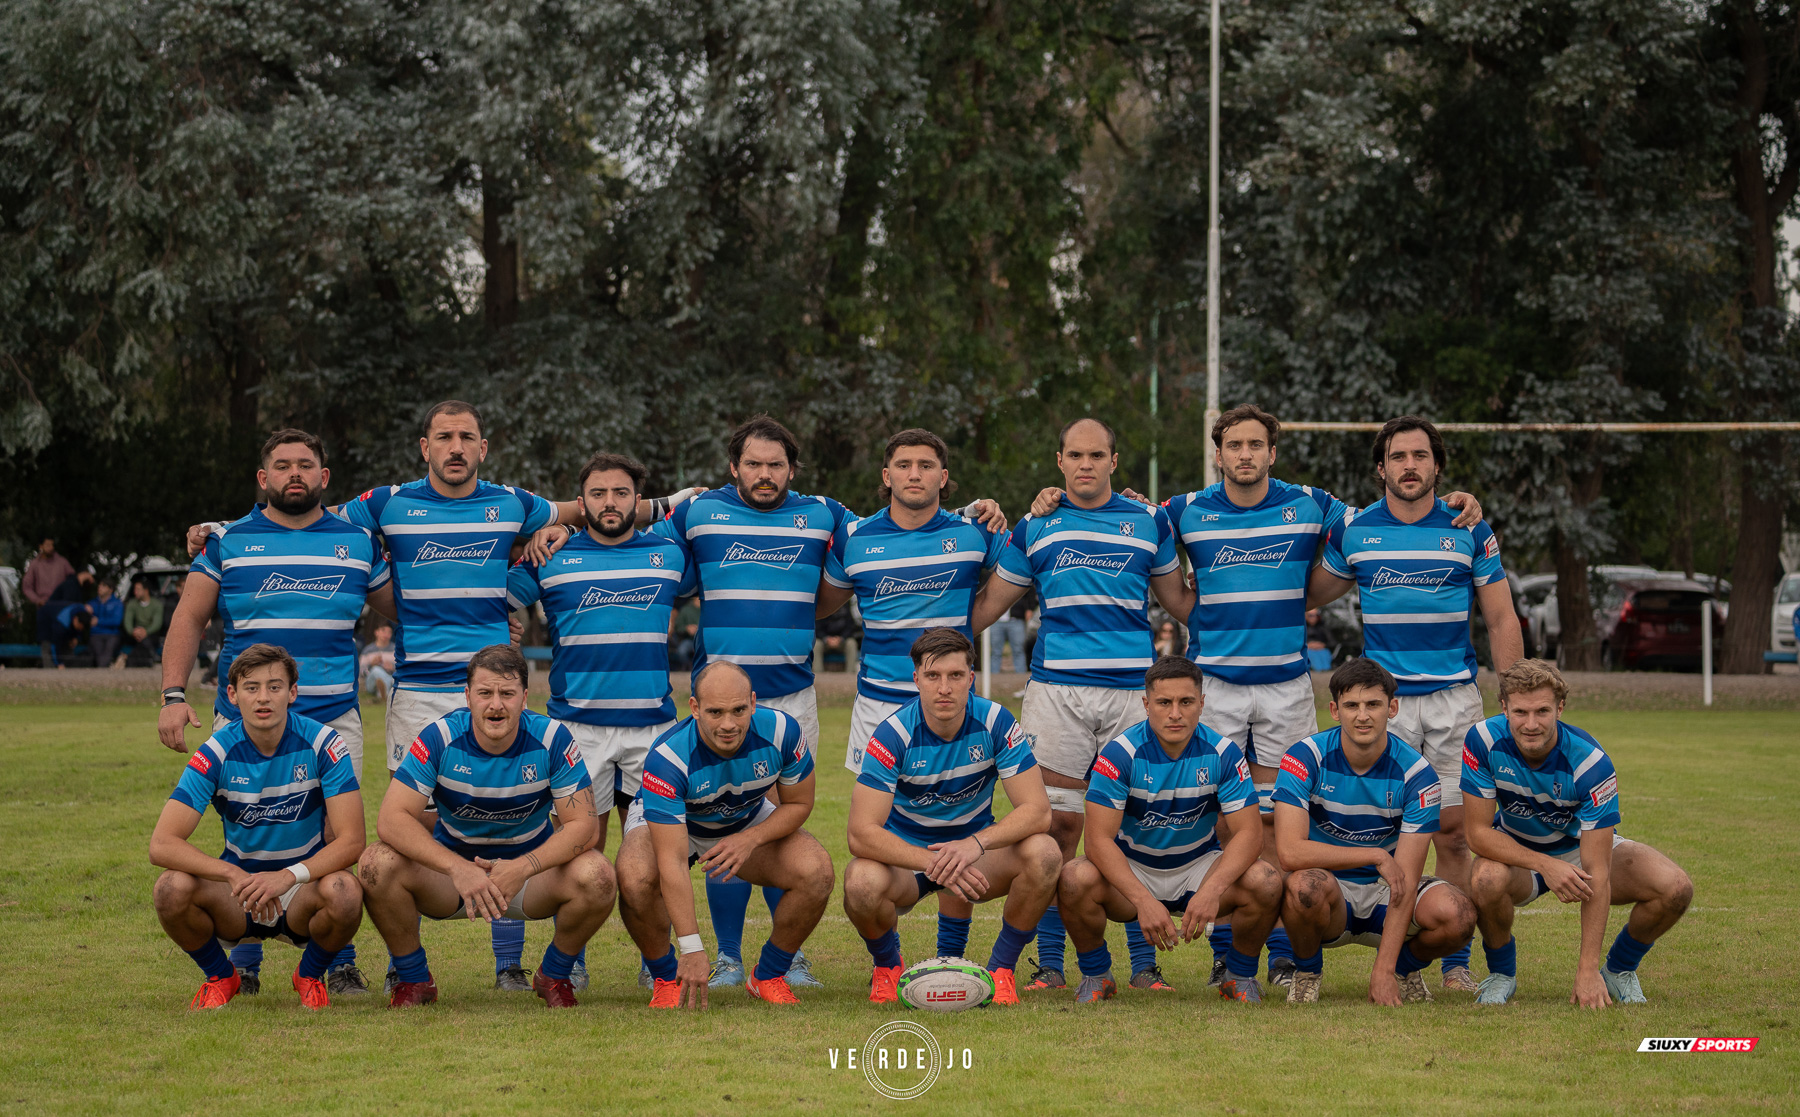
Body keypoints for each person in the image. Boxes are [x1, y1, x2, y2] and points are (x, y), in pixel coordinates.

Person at [161, 429, 395, 995]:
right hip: (243, 717)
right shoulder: (228, 540)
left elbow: (405, 612)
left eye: (306, 465)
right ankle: (244, 956)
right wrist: (173, 694)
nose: (296, 474)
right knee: (249, 826)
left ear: (325, 479)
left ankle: (334, 959)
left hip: (333, 714)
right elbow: (190, 617)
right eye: (283, 466)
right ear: (263, 479)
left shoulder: (359, 541)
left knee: (335, 836)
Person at [969, 417, 1186, 992]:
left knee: (1137, 825)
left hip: (1131, 693)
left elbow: (1179, 600)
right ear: (1059, 461)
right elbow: (988, 604)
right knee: (1059, 826)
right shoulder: (1037, 525)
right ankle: (1051, 965)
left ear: (1114, 462)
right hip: (1057, 692)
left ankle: (1145, 967)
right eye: (1074, 455)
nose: (1085, 464)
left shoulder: (1148, 521)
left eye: (1096, 455)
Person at [1306, 415, 1518, 992]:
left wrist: (1514, 692)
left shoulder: (1468, 527)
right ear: (1381, 468)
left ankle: (1452, 964)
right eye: (1398, 457)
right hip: (1383, 704)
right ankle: (1372, 946)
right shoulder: (1356, 532)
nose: (1409, 466)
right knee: (1381, 832)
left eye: (1420, 456)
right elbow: (1302, 591)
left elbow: (1500, 615)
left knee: (1454, 833)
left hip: (1454, 700)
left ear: (1437, 466)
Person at [506, 452, 696, 987]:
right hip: (577, 728)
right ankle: (575, 956)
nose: (609, 503)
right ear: (581, 500)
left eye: (619, 493)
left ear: (638, 500)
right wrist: (511, 631)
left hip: (653, 729)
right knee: (579, 850)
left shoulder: (669, 554)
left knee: (657, 854)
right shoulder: (553, 555)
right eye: (597, 494)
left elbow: (704, 513)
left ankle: (651, 958)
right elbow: (496, 601)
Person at [357, 645, 617, 1009]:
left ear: (525, 697)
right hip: (453, 880)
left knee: (599, 875)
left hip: (528, 880)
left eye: (507, 694)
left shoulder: (553, 739)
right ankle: (415, 980)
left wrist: (522, 868)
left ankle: (554, 975)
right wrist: (457, 868)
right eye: (485, 693)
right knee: (375, 863)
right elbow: (391, 818)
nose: (496, 705)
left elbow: (583, 826)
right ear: (467, 696)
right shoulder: (438, 737)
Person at [841, 628, 1060, 1006]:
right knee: (860, 881)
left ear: (971, 678)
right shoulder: (892, 733)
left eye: (955, 676)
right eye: (933, 676)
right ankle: (888, 967)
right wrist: (935, 861)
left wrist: (974, 845)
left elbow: (1037, 811)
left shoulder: (995, 721)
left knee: (1045, 854)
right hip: (910, 861)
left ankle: (1001, 971)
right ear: (916, 679)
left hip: (977, 856)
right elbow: (861, 834)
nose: (945, 687)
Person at [148, 644, 365, 1011]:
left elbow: (352, 841)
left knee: (345, 891)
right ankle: (221, 977)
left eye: (275, 686)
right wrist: (232, 874)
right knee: (170, 888)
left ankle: (309, 976)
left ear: (293, 693)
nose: (263, 698)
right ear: (232, 695)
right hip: (239, 895)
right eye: (251, 688)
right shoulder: (217, 751)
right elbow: (162, 845)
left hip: (300, 889)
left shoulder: (324, 743)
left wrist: (287, 876)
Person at [1464, 660, 1692, 1006]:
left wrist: (1586, 970)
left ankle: (1616, 971)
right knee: (1485, 879)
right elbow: (1478, 834)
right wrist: (1545, 865)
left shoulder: (1591, 763)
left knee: (1675, 889)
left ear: (1560, 708)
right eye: (1520, 712)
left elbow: (1596, 869)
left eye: (1542, 711)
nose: (1531, 724)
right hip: (1517, 853)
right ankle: (1501, 974)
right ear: (1504, 708)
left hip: (1578, 847)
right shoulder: (1482, 740)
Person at [1057, 656, 1281, 1003]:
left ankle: (1239, 974)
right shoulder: (1120, 754)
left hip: (1198, 866)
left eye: (1186, 702)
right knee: (1074, 877)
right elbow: (1098, 841)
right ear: (1147, 705)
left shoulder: (1223, 752)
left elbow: (1249, 834)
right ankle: (1097, 974)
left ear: (1202, 703)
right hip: (1135, 867)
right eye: (1164, 702)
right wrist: (1143, 900)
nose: (1175, 713)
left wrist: (1212, 890)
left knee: (1265, 880)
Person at [615, 661, 834, 1008]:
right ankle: (665, 976)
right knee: (635, 875)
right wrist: (692, 947)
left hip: (743, 817)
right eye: (715, 712)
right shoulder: (668, 757)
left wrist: (751, 838)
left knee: (816, 870)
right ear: (695, 708)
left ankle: (769, 974)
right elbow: (672, 860)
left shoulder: (782, 731)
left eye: (738, 710)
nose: (728, 724)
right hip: (677, 823)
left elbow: (799, 804)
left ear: (753, 702)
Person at [1272, 658, 1477, 1005]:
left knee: (1459, 914)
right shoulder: (1304, 757)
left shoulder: (1418, 775)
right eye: (1351, 705)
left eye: (1373, 705)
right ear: (1335, 710)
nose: (1362, 716)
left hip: (1388, 889)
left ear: (1392, 708)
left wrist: (1382, 971)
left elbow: (1407, 879)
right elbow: (1290, 852)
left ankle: (1401, 968)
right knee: (1302, 885)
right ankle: (1307, 971)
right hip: (1331, 892)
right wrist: (1375, 854)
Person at [23, 537, 75, 667]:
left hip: (60, 607)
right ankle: (49, 670)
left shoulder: (62, 562)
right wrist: (37, 600)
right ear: (41, 546)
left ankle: (69, 667)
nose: (50, 548)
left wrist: (67, 599)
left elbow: (73, 581)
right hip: (44, 606)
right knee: (45, 639)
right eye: (47, 545)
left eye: (52, 545)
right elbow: (26, 586)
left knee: (64, 637)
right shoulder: (35, 564)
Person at [123, 578, 166, 665]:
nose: (135, 592)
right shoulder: (132, 603)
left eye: (138, 589)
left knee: (146, 640)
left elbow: (157, 624)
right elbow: (127, 621)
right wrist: (133, 632)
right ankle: (153, 657)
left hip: (151, 633)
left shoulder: (156, 604)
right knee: (143, 640)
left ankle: (129, 659)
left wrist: (146, 632)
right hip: (135, 634)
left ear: (146, 590)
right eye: (134, 589)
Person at [991, 589, 1033, 674]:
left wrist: (1030, 608)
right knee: (995, 650)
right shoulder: (989, 576)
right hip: (995, 620)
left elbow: (1030, 591)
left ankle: (1020, 677)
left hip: (1016, 619)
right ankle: (993, 677)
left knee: (1018, 649)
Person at [86, 578, 124, 667]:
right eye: (99, 585)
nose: (99, 587)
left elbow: (116, 621)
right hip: (96, 634)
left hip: (112, 634)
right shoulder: (91, 603)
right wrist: (84, 609)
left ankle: (101, 671)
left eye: (103, 586)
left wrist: (98, 621)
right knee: (98, 651)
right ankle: (103, 671)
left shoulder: (117, 603)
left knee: (108, 650)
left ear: (110, 590)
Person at [360, 624, 396, 702]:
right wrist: (371, 665)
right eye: (383, 631)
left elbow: (403, 669)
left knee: (392, 678)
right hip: (371, 682)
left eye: (389, 632)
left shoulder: (395, 650)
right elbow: (361, 672)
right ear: (376, 632)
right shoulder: (368, 650)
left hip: (391, 677)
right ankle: (385, 693)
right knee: (376, 670)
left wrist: (393, 668)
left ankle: (381, 693)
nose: (386, 635)